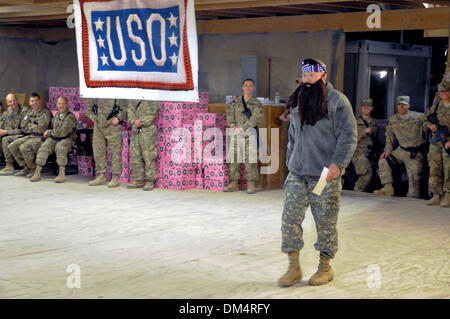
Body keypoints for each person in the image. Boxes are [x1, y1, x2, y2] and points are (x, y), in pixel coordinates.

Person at [278, 58, 357, 287]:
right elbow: (293, 136)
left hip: (324, 174)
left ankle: (325, 267)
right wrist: (290, 161)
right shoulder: (298, 100)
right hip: (298, 173)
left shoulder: (337, 101)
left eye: (312, 76)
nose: (308, 80)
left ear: (323, 76)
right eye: (305, 76)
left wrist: (337, 164)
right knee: (289, 218)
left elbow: (348, 136)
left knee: (324, 220)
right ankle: (293, 267)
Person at [374, 96, 426, 198]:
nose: (401, 106)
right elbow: (389, 136)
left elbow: (429, 123)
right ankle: (388, 187)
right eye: (399, 104)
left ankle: (412, 205)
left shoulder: (419, 117)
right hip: (401, 151)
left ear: (408, 105)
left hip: (414, 154)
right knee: (383, 161)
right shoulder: (393, 119)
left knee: (413, 191)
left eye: (403, 104)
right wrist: (387, 150)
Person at [224, 78, 264, 194]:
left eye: (250, 86)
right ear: (242, 87)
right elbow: (229, 115)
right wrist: (233, 126)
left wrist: (243, 128)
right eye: (246, 85)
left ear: (254, 88)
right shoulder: (235, 102)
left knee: (250, 159)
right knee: (234, 158)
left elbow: (256, 118)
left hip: (250, 133)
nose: (248, 88)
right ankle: (234, 183)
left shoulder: (257, 103)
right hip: (236, 133)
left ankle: (251, 184)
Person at [30, 96, 78, 183]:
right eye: (59, 104)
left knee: (60, 147)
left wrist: (49, 132)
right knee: (45, 146)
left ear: (67, 105)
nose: (61, 106)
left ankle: (61, 173)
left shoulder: (70, 117)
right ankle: (37, 172)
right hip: (55, 137)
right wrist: (51, 132)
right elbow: (55, 129)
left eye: (63, 104)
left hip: (67, 139)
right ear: (57, 104)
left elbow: (62, 133)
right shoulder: (56, 115)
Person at [8, 93, 52, 178]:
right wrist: (33, 126)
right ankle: (25, 167)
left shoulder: (45, 113)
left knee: (24, 147)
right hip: (29, 136)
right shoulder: (29, 112)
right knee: (12, 146)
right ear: (29, 102)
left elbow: (41, 129)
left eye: (36, 101)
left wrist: (30, 126)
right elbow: (23, 126)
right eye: (32, 101)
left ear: (40, 101)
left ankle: (33, 169)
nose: (34, 103)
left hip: (40, 138)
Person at [87, 98, 127, 187]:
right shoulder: (94, 91)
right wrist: (93, 117)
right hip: (98, 125)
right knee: (98, 151)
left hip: (113, 125)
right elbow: (89, 108)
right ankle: (101, 176)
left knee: (115, 152)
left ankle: (116, 177)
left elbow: (125, 108)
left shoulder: (115, 88)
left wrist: (118, 118)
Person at [423, 78, 450, 207]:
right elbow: (425, 119)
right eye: (441, 92)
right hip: (436, 143)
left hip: (448, 142)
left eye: (446, 91)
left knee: (448, 169)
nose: (444, 93)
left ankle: (448, 195)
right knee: (434, 167)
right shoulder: (436, 106)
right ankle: (436, 195)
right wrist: (430, 126)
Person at [126, 100, 160, 191]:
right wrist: (134, 122)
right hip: (135, 131)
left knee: (148, 156)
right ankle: (139, 180)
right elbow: (130, 110)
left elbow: (153, 113)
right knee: (135, 156)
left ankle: (150, 180)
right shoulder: (134, 96)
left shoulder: (152, 96)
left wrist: (141, 122)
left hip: (147, 131)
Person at [351, 98, 378, 192]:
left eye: (368, 106)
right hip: (358, 153)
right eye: (364, 106)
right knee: (367, 173)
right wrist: (363, 132)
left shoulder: (374, 122)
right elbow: (351, 138)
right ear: (361, 108)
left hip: (369, 154)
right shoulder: (354, 122)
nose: (366, 108)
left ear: (372, 108)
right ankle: (357, 192)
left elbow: (375, 140)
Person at [0, 93, 29, 175]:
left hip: (24, 135)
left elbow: (23, 129)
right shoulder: (8, 111)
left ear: (17, 100)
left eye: (13, 100)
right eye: (10, 102)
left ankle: (20, 166)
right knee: (5, 139)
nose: (12, 103)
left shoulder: (25, 111)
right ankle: (9, 166)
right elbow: (2, 123)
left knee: (7, 140)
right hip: (13, 135)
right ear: (7, 103)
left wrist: (6, 132)